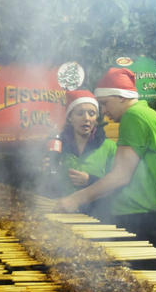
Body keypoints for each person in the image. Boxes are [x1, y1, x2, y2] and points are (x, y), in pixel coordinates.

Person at [56, 68, 156, 249]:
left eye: (104, 103)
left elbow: (121, 175)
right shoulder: (147, 113)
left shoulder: (133, 116)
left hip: (138, 215)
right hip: (149, 213)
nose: (103, 111)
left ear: (121, 97)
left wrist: (75, 199)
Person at [44, 89, 116, 218]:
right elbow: (48, 186)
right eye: (80, 113)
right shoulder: (57, 146)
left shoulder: (110, 147)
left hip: (98, 218)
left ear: (96, 119)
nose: (86, 118)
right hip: (62, 215)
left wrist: (90, 180)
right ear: (70, 118)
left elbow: (117, 185)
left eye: (92, 113)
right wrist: (44, 171)